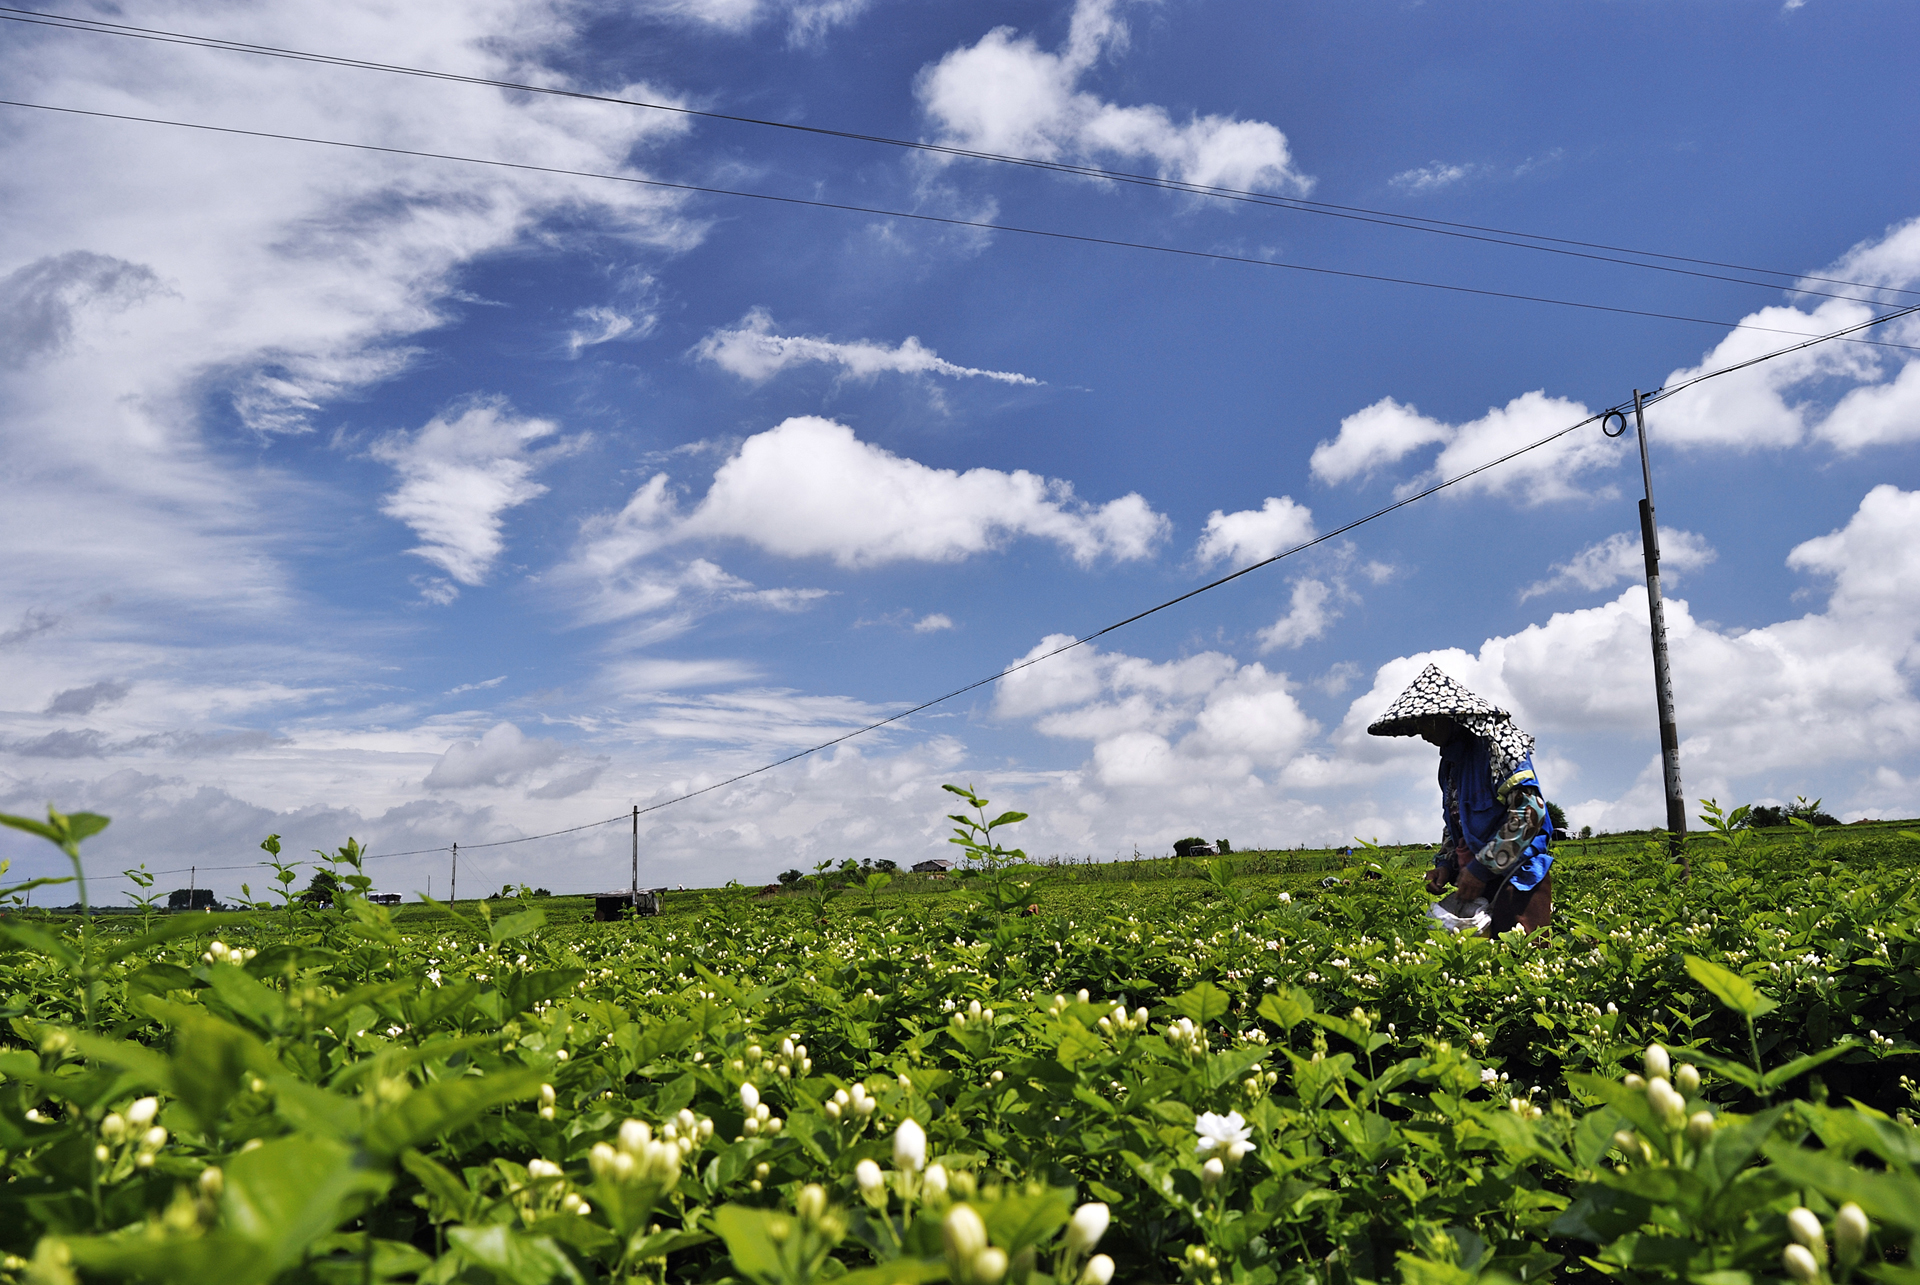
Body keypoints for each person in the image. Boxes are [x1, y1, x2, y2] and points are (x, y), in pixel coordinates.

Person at [1367, 663, 1555, 934]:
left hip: (1517, 882)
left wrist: (1483, 866)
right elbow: (1456, 823)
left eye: (1426, 723)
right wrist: (1445, 865)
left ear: (1449, 717)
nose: (1422, 733)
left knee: (1521, 962)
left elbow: (1531, 814)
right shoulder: (1449, 765)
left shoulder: (1497, 748)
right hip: (1475, 884)